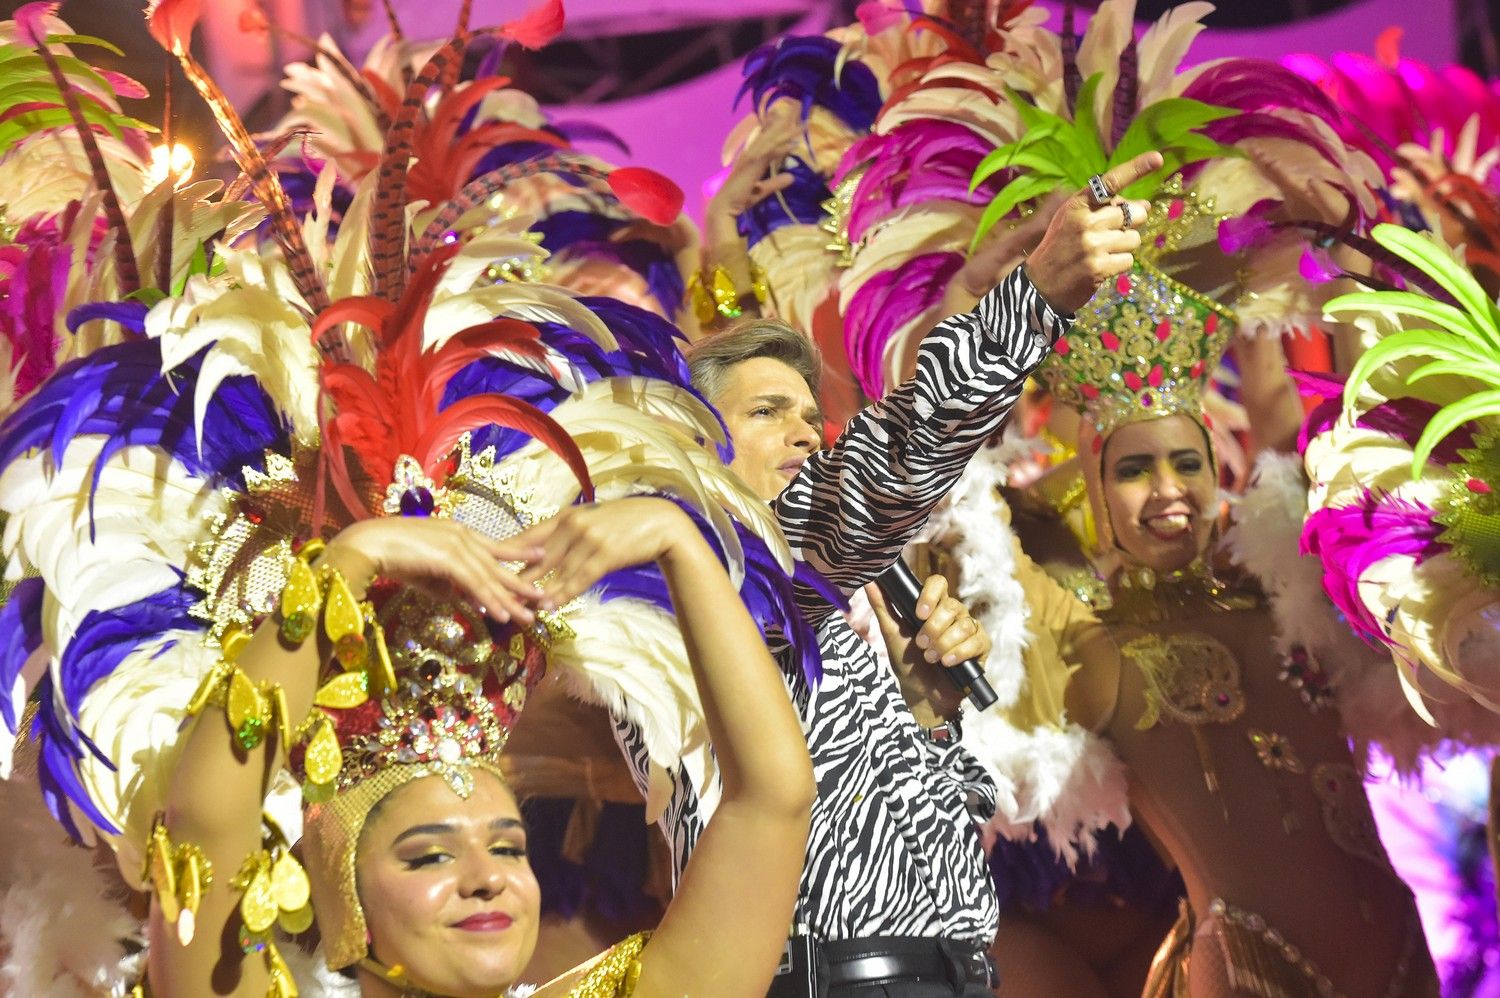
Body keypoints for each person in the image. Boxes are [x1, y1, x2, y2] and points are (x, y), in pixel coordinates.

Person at [596, 150, 1162, 997]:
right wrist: (1030, 300)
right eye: (767, 412)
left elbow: (911, 845)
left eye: (810, 415)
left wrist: (927, 718)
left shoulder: (827, 607)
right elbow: (893, 458)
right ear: (693, 446)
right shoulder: (701, 583)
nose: (807, 434)